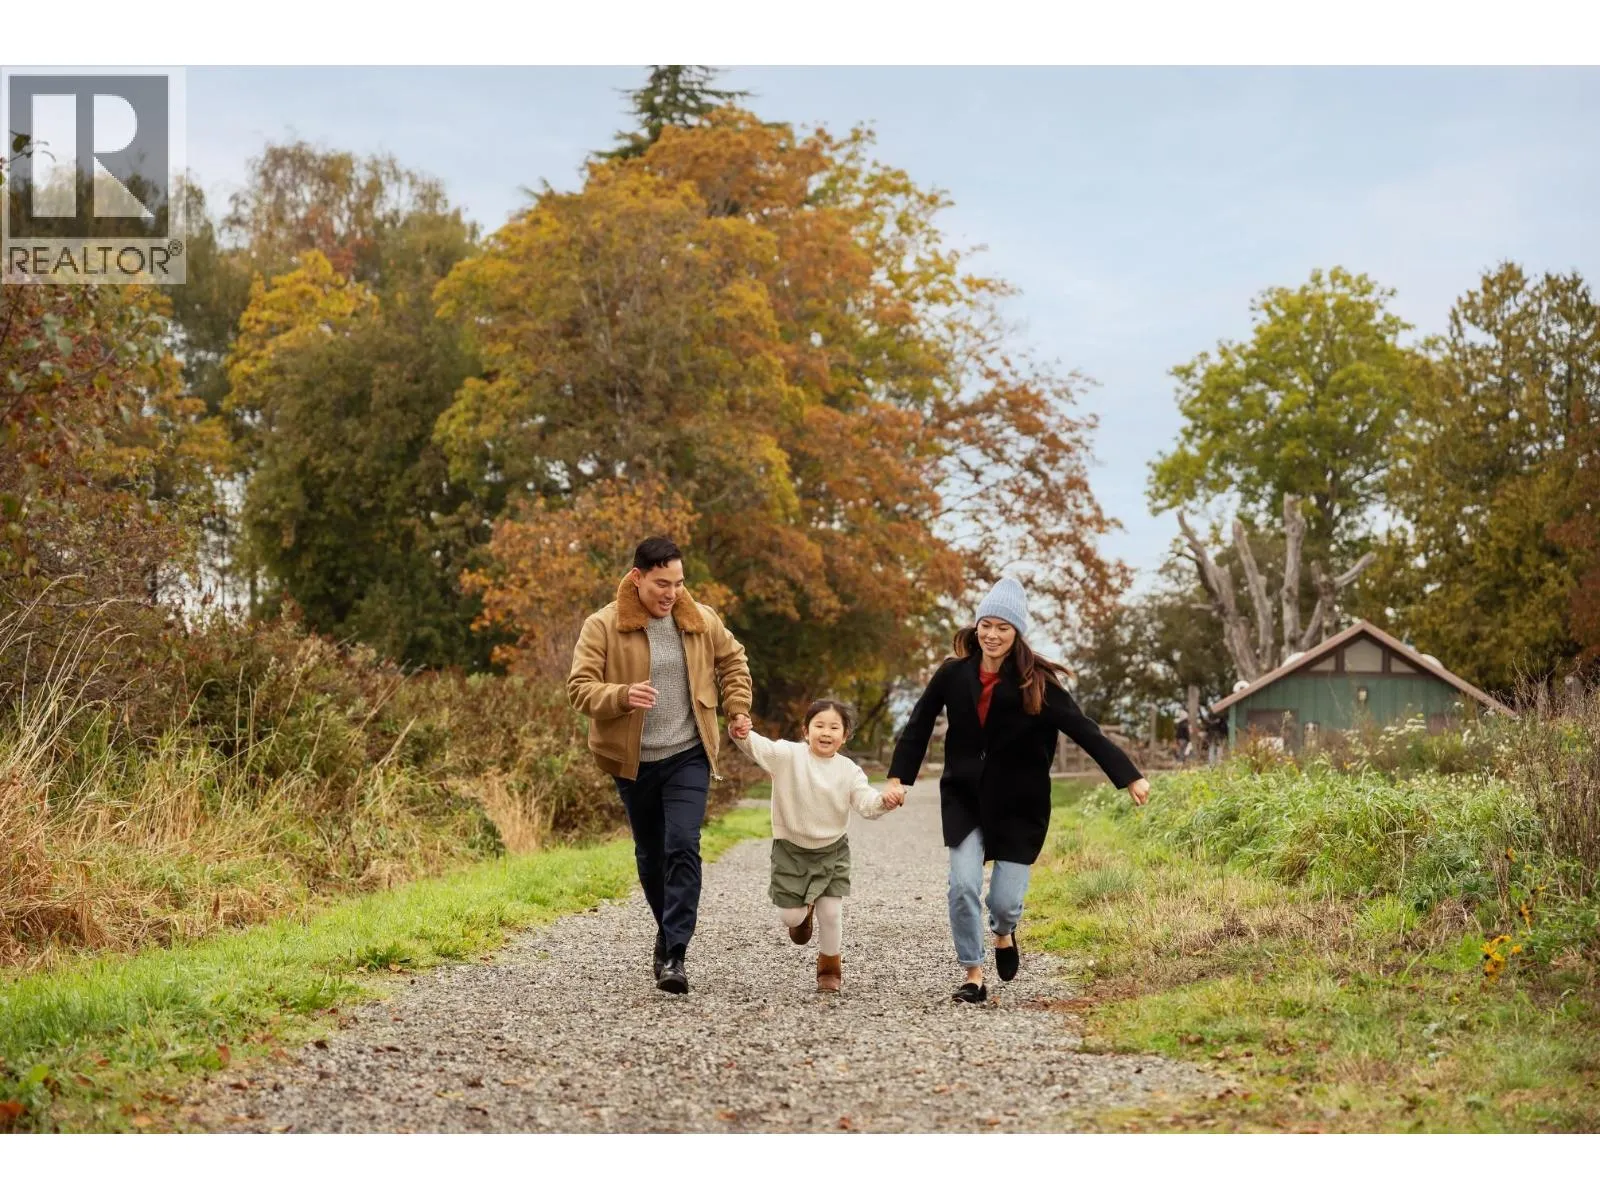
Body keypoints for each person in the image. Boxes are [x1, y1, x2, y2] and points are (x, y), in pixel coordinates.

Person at [885, 578, 1151, 1003]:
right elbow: (917, 725)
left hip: (1019, 805)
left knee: (1005, 903)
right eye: (986, 625)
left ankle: (1004, 932)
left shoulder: (1037, 681)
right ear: (976, 627)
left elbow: (1083, 729)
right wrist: (899, 779)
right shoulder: (953, 674)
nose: (991, 635)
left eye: (1002, 628)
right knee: (962, 886)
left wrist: (1129, 776)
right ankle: (973, 973)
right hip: (965, 798)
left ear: (1017, 633)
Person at [566, 536, 753, 995]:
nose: (671, 593)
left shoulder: (700, 619)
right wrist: (622, 695)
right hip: (633, 762)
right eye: (661, 584)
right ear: (637, 578)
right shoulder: (603, 625)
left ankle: (675, 954)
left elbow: (733, 661)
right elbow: (579, 689)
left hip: (688, 752)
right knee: (651, 855)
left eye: (678, 583)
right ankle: (667, 934)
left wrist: (738, 707)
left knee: (683, 845)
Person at [731, 699, 903, 993]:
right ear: (806, 731)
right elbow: (758, 747)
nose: (826, 732)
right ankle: (803, 912)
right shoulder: (788, 755)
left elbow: (866, 802)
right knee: (790, 917)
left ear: (845, 736)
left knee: (832, 913)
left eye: (834, 727)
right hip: (790, 849)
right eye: (819, 725)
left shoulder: (848, 770)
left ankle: (829, 970)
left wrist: (884, 802)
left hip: (832, 850)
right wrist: (742, 732)